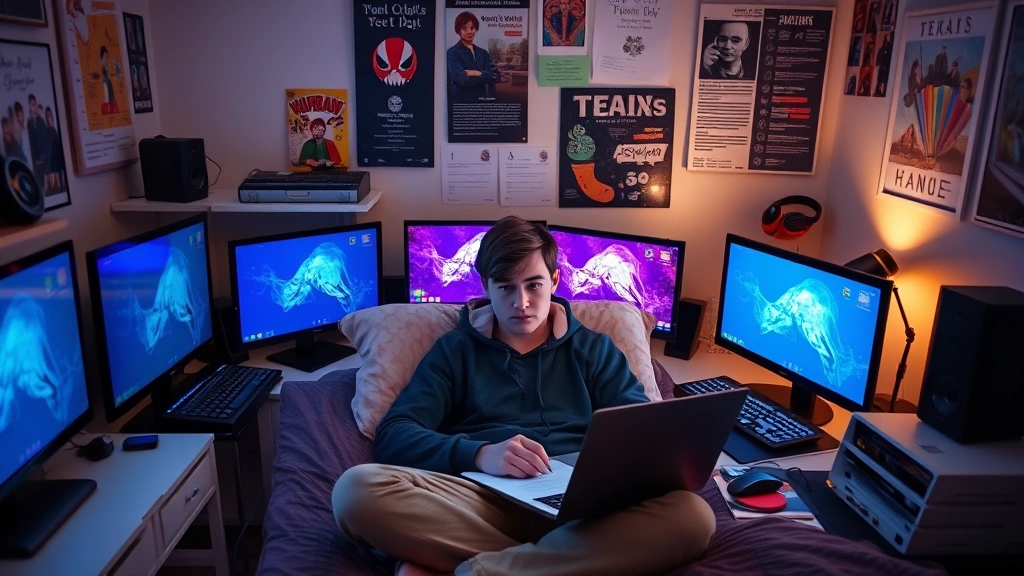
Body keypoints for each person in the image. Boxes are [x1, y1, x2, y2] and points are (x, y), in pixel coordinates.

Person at [332, 217, 716, 576]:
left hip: (584, 507)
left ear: (554, 280)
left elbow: (641, 435)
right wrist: (481, 454)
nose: (522, 303)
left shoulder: (594, 349)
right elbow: (395, 434)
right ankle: (569, 560)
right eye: (505, 287)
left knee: (694, 516)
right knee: (356, 492)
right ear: (486, 287)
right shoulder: (455, 351)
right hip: (482, 500)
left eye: (533, 285)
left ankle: (487, 569)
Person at [447, 11, 500, 101]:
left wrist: (476, 73)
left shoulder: (483, 53)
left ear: (476, 29)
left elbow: (496, 76)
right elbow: (462, 80)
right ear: (458, 30)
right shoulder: (452, 52)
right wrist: (486, 77)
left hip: (483, 104)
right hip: (462, 105)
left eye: (472, 28)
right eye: (464, 28)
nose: (469, 32)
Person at [44, 107, 65, 193]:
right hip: (53, 162)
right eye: (48, 116)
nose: (50, 117)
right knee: (57, 188)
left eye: (51, 115)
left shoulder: (55, 128)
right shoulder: (49, 130)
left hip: (58, 159)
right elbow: (49, 149)